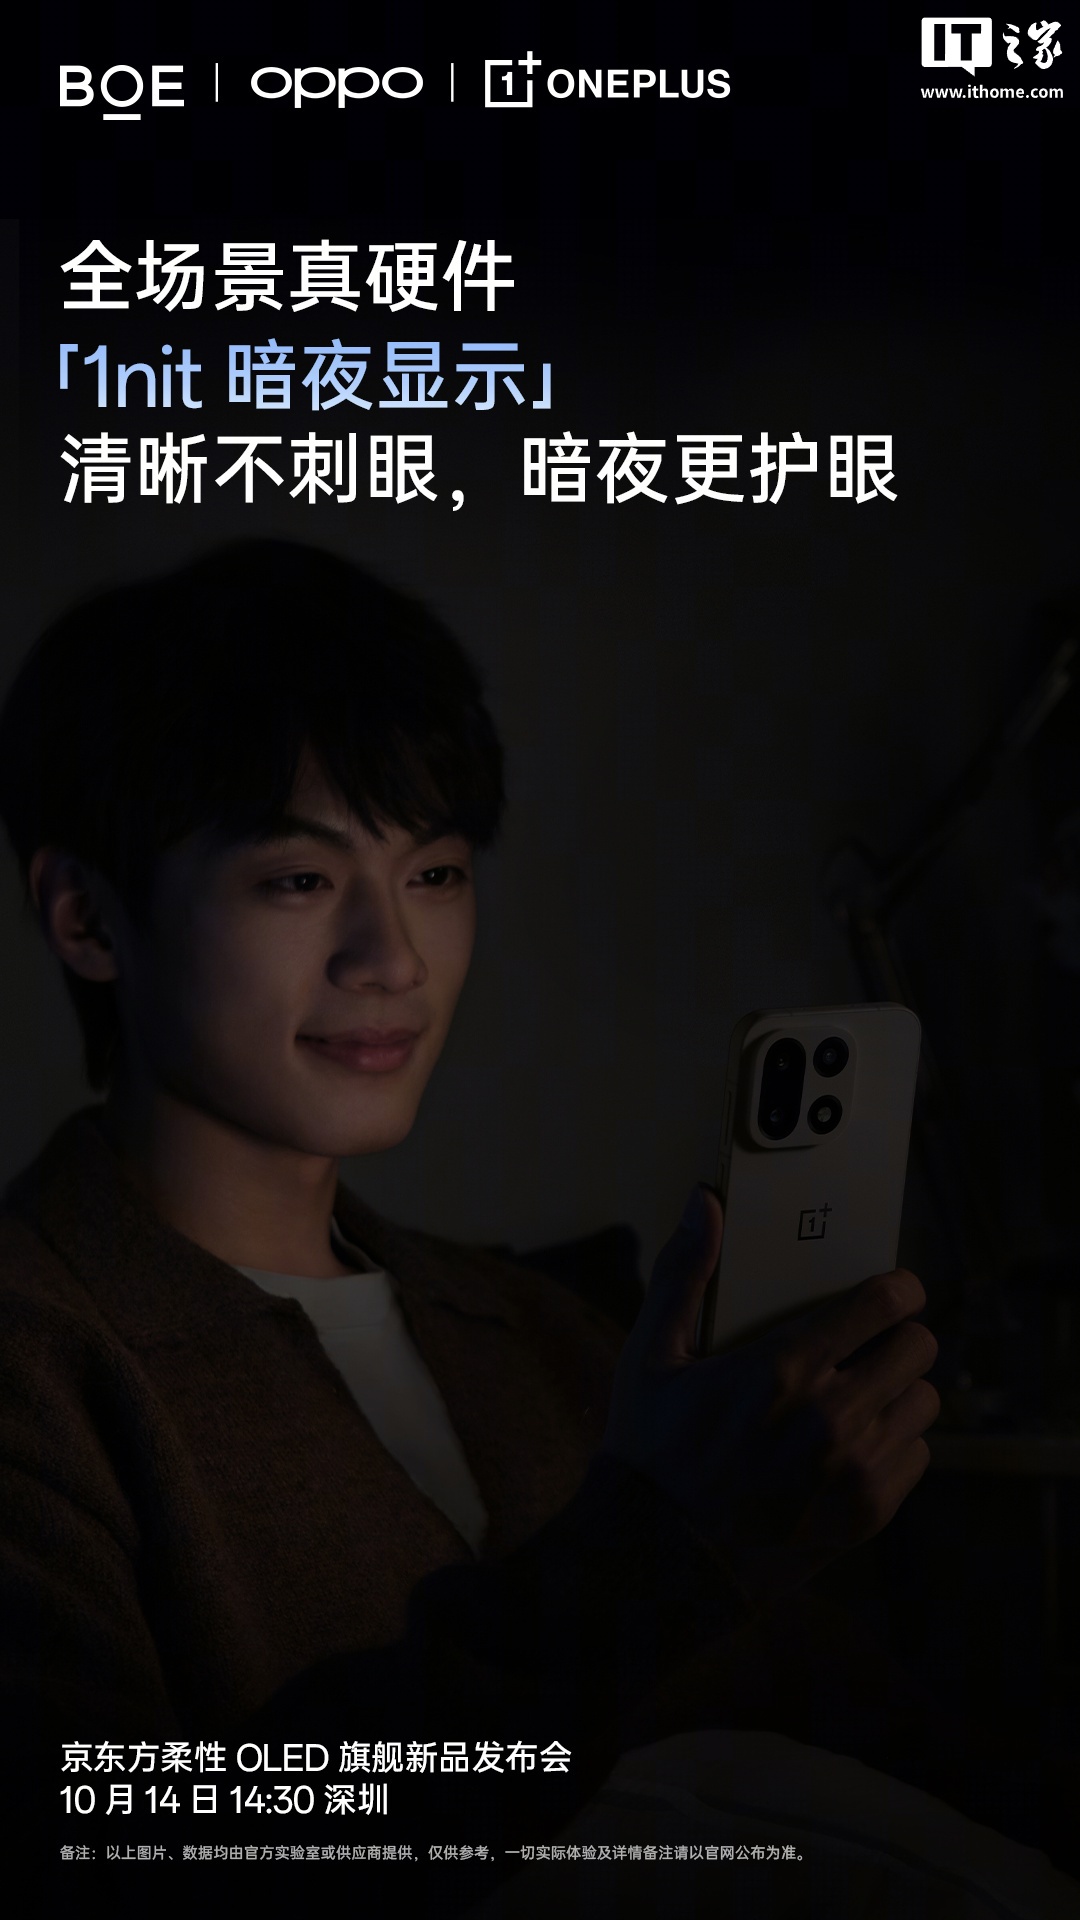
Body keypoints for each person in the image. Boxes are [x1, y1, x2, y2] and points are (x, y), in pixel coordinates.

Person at [0, 539, 983, 1904]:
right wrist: (656, 1553)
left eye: (437, 874)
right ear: (87, 918)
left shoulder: (550, 1333)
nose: (392, 958)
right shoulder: (43, 1359)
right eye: (297, 880)